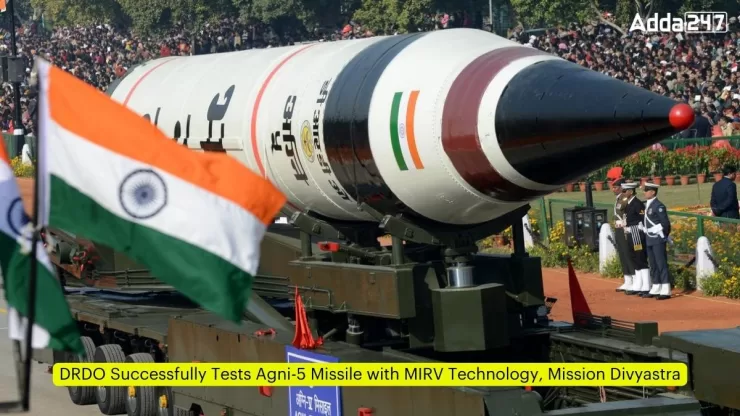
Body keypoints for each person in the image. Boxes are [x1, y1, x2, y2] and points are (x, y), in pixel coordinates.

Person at [641, 183, 672, 300]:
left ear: (653, 192)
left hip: (657, 238)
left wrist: (662, 234)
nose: (644, 192)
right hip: (649, 238)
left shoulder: (659, 206)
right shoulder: (648, 205)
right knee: (653, 264)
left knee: (661, 263)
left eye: (647, 190)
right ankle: (656, 285)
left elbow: (665, 224)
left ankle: (665, 288)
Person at [620, 182, 650, 297]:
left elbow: (643, 219)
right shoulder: (628, 203)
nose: (623, 193)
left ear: (631, 191)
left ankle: (646, 285)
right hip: (630, 233)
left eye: (624, 191)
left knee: (640, 257)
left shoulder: (637, 204)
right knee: (634, 258)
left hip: (637, 233)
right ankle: (639, 284)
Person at [611, 178, 635, 292]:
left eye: (616, 187)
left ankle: (634, 279)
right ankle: (627, 279)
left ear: (622, 187)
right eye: (613, 187)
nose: (613, 189)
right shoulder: (619, 199)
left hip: (624, 229)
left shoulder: (624, 198)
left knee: (627, 253)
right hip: (618, 229)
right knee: (622, 254)